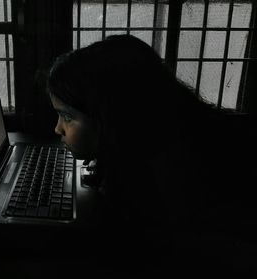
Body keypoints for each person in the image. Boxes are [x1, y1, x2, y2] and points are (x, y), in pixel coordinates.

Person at [47, 34, 257, 274]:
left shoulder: (169, 182)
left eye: (68, 117)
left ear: (111, 116)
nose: (58, 128)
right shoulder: (158, 142)